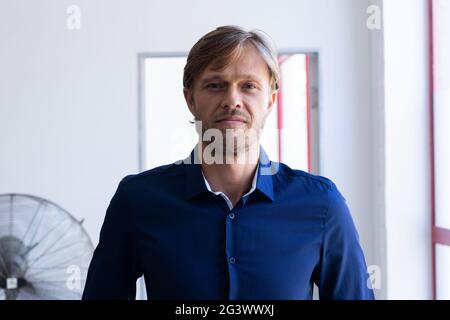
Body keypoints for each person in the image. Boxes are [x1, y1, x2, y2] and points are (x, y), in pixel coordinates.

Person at [82, 25, 374, 300]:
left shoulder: (322, 204)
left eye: (248, 86)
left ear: (270, 101)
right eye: (215, 85)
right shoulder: (137, 200)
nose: (232, 100)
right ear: (190, 99)